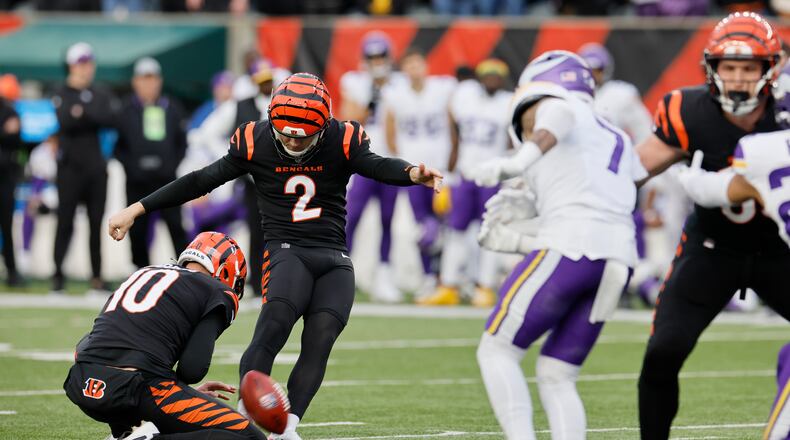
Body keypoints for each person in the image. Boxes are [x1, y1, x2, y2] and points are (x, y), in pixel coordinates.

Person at [107, 72, 443, 440]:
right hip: (287, 249)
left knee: (321, 338)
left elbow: (377, 164)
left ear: (324, 125)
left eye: (303, 137)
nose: (292, 143)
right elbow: (200, 179)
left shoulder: (343, 137)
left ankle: (288, 428)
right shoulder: (255, 140)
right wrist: (137, 209)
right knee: (274, 324)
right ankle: (241, 424)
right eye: (284, 135)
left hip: (334, 255)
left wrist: (411, 172)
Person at [467, 50, 644, 439]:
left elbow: (557, 116)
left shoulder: (560, 108)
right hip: (618, 258)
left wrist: (515, 164)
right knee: (557, 373)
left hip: (573, 247)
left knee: (496, 349)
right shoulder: (614, 133)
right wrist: (518, 235)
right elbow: (598, 201)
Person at [634, 12, 790, 439]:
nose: (738, 79)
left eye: (748, 68)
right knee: (663, 352)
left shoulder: (787, 115)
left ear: (769, 69)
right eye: (729, 67)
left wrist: (716, 187)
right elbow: (632, 169)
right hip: (712, 249)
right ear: (712, 68)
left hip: (782, 254)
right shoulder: (686, 110)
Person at [63, 231, 265, 440]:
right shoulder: (217, 291)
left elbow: (89, 340)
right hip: (136, 388)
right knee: (251, 437)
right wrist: (178, 388)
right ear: (225, 272)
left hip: (83, 382)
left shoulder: (143, 273)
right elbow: (191, 370)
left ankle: (125, 434)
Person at [425, 58, 512, 307]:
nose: (492, 79)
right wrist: (449, 177)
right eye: (488, 75)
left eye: (497, 75)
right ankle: (449, 285)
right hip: (465, 173)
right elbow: (455, 136)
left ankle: (484, 286)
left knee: (489, 234)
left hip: (492, 177)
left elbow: (511, 143)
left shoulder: (507, 102)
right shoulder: (465, 96)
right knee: (455, 231)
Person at [194, 58, 279, 298]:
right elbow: (208, 133)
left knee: (277, 233)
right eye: (262, 81)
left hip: (278, 180)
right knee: (254, 230)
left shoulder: (281, 103)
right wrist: (235, 160)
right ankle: (253, 282)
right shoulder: (239, 105)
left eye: (269, 80)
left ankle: (274, 280)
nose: (266, 85)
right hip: (251, 182)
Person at [382, 48, 456, 301]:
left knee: (447, 226)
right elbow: (390, 134)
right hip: (415, 172)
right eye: (409, 65)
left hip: (441, 170)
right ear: (404, 70)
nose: (414, 70)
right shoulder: (396, 95)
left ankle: (447, 279)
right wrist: (406, 163)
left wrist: (451, 160)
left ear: (425, 66)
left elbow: (453, 125)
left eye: (417, 64)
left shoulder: (442, 89)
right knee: (423, 227)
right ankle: (429, 277)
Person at [341, 31, 405, 302]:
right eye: (372, 57)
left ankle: (384, 276)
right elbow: (348, 120)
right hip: (363, 161)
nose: (377, 61)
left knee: (388, 219)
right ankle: (341, 272)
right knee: (351, 217)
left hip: (390, 159)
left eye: (381, 56)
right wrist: (372, 98)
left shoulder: (400, 85)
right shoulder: (355, 82)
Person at [51, 42, 118, 294]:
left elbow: (109, 118)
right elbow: (65, 120)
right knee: (65, 221)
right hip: (69, 167)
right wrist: (86, 114)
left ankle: (96, 277)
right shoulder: (61, 91)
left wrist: (83, 113)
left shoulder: (100, 93)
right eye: (81, 63)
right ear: (71, 65)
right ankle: (57, 275)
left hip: (95, 167)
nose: (86, 69)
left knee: (96, 223)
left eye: (88, 63)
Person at [115, 57, 188, 269]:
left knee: (176, 227)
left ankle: (186, 272)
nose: (149, 84)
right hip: (137, 181)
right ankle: (140, 270)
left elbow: (181, 142)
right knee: (137, 230)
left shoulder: (171, 107)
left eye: (152, 79)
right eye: (144, 79)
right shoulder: (126, 109)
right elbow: (118, 146)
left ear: (160, 81)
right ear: (135, 81)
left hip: (167, 181)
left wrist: (171, 164)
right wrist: (132, 167)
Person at [0, 73, 22, 286]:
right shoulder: (9, 113)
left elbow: (16, 137)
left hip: (6, 177)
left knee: (7, 226)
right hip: (6, 173)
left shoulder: (11, 111)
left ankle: (12, 272)